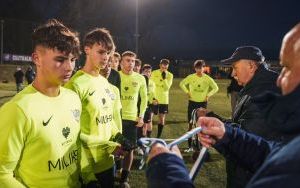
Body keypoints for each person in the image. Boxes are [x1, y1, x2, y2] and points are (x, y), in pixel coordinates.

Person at [145, 22, 300, 188]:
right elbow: (269, 153)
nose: (280, 78)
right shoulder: (252, 88)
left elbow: (260, 148)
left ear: (251, 65)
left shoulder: (265, 92)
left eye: (287, 67)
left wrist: (167, 171)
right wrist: (224, 132)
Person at [0, 19, 82, 187]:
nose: (69, 67)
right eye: (60, 59)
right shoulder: (18, 109)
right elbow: (2, 173)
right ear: (37, 58)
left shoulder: (73, 98)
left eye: (73, 59)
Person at [65, 28, 130, 188]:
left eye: (107, 52)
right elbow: (72, 135)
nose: (105, 57)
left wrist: (119, 137)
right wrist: (107, 147)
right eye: (101, 52)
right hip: (86, 168)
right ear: (87, 49)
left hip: (108, 163)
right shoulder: (75, 85)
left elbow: (108, 120)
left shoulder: (104, 82)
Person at [118, 51, 147, 187]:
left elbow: (144, 99)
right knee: (113, 148)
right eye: (128, 60)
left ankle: (124, 179)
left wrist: (141, 116)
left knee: (129, 150)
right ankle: (113, 171)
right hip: (115, 118)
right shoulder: (115, 76)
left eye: (133, 61)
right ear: (121, 62)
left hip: (131, 119)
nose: (130, 63)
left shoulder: (140, 78)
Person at [179, 59, 219, 152]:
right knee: (190, 124)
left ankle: (200, 145)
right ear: (195, 68)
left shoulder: (207, 78)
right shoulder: (191, 77)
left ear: (203, 68)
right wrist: (187, 92)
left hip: (202, 103)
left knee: (201, 125)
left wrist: (208, 95)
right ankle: (190, 146)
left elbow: (216, 88)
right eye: (197, 68)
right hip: (192, 102)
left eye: (200, 68)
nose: (199, 70)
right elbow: (182, 84)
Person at [151, 58, 173, 138]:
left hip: (164, 100)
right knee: (149, 118)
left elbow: (167, 88)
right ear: (160, 65)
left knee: (161, 119)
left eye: (166, 68)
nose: (164, 69)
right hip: (154, 99)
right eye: (163, 67)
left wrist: (164, 79)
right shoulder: (153, 73)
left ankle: (158, 137)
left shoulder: (170, 75)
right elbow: (151, 84)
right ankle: (147, 136)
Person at [141, 64, 157, 138]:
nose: (147, 73)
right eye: (146, 71)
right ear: (142, 72)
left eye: (149, 71)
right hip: (141, 104)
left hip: (149, 105)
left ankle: (149, 138)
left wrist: (154, 100)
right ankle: (143, 139)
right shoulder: (140, 80)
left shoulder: (152, 82)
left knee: (148, 122)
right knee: (143, 123)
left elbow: (153, 94)